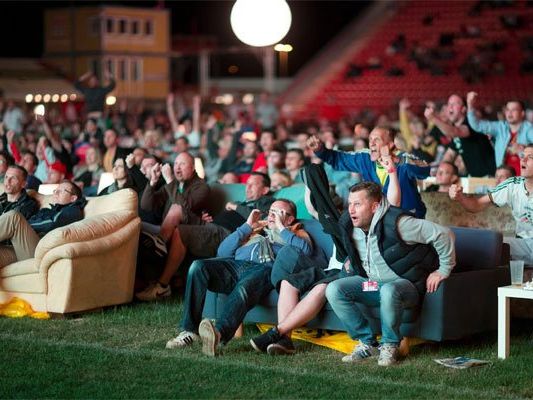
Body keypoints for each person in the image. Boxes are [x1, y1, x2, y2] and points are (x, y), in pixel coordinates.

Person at [325, 182, 455, 366]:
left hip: (405, 286)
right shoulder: (350, 223)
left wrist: (443, 269)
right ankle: (367, 342)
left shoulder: (399, 223)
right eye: (350, 204)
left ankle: (390, 345)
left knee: (388, 290)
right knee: (334, 289)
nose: (351, 210)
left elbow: (444, 234)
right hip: (373, 284)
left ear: (375, 206)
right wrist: (351, 260)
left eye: (358, 204)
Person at [165, 199, 312, 357]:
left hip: (264, 270)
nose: (272, 215)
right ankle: (189, 331)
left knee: (244, 288)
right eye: (270, 212)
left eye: (278, 212)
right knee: (197, 267)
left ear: (290, 218)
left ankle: (218, 334)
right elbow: (222, 252)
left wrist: (282, 228)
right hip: (236, 266)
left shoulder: (295, 232)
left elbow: (305, 250)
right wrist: (248, 225)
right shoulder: (254, 230)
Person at [136, 172, 274, 301]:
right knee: (176, 210)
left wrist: (234, 206)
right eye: (247, 184)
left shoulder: (266, 202)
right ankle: (160, 248)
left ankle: (162, 285)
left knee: (181, 232)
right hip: (211, 227)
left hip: (225, 234)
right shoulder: (243, 202)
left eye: (253, 184)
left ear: (265, 190)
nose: (248, 187)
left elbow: (261, 218)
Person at [308, 127, 428, 217]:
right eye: (370, 139)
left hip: (409, 217)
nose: (371, 143)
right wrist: (321, 150)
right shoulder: (365, 157)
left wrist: (396, 159)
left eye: (377, 139)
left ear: (390, 145)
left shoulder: (404, 158)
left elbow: (424, 170)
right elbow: (339, 159)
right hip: (378, 218)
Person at [449, 144, 533, 265]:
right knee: (488, 244)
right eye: (522, 156)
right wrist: (460, 197)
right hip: (522, 244)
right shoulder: (513, 185)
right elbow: (477, 204)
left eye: (530, 157)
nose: (523, 160)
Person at [0, 180, 86, 263]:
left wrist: (22, 226)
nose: (55, 193)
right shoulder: (46, 211)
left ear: (73, 198)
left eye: (61, 191)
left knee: (14, 217)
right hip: (20, 247)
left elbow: (51, 224)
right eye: (56, 190)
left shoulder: (72, 210)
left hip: (38, 250)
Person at [425, 94, 496, 177]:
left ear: (463, 109)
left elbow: (455, 131)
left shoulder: (470, 123)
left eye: (455, 104)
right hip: (475, 179)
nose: (450, 107)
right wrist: (433, 170)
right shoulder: (456, 132)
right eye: (449, 104)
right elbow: (450, 156)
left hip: (489, 178)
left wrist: (433, 118)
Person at [467, 92, 533, 176]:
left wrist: (523, 151)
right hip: (504, 179)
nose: (510, 113)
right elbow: (477, 125)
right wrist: (470, 105)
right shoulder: (500, 127)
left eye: (514, 110)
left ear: (522, 113)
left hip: (524, 179)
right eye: (508, 110)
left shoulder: (529, 129)